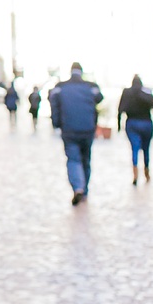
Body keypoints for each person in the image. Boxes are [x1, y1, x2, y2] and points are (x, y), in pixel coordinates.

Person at [49, 62, 103, 204]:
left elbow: (53, 103)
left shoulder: (61, 87)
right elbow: (100, 98)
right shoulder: (90, 87)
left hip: (69, 129)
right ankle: (84, 189)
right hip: (87, 129)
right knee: (86, 159)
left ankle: (78, 187)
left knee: (73, 159)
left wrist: (56, 123)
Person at [117, 76, 153, 185]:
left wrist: (118, 125)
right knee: (146, 149)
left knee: (134, 149)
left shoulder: (126, 92)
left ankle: (135, 174)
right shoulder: (146, 92)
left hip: (132, 123)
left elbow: (120, 109)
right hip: (146, 123)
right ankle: (146, 172)